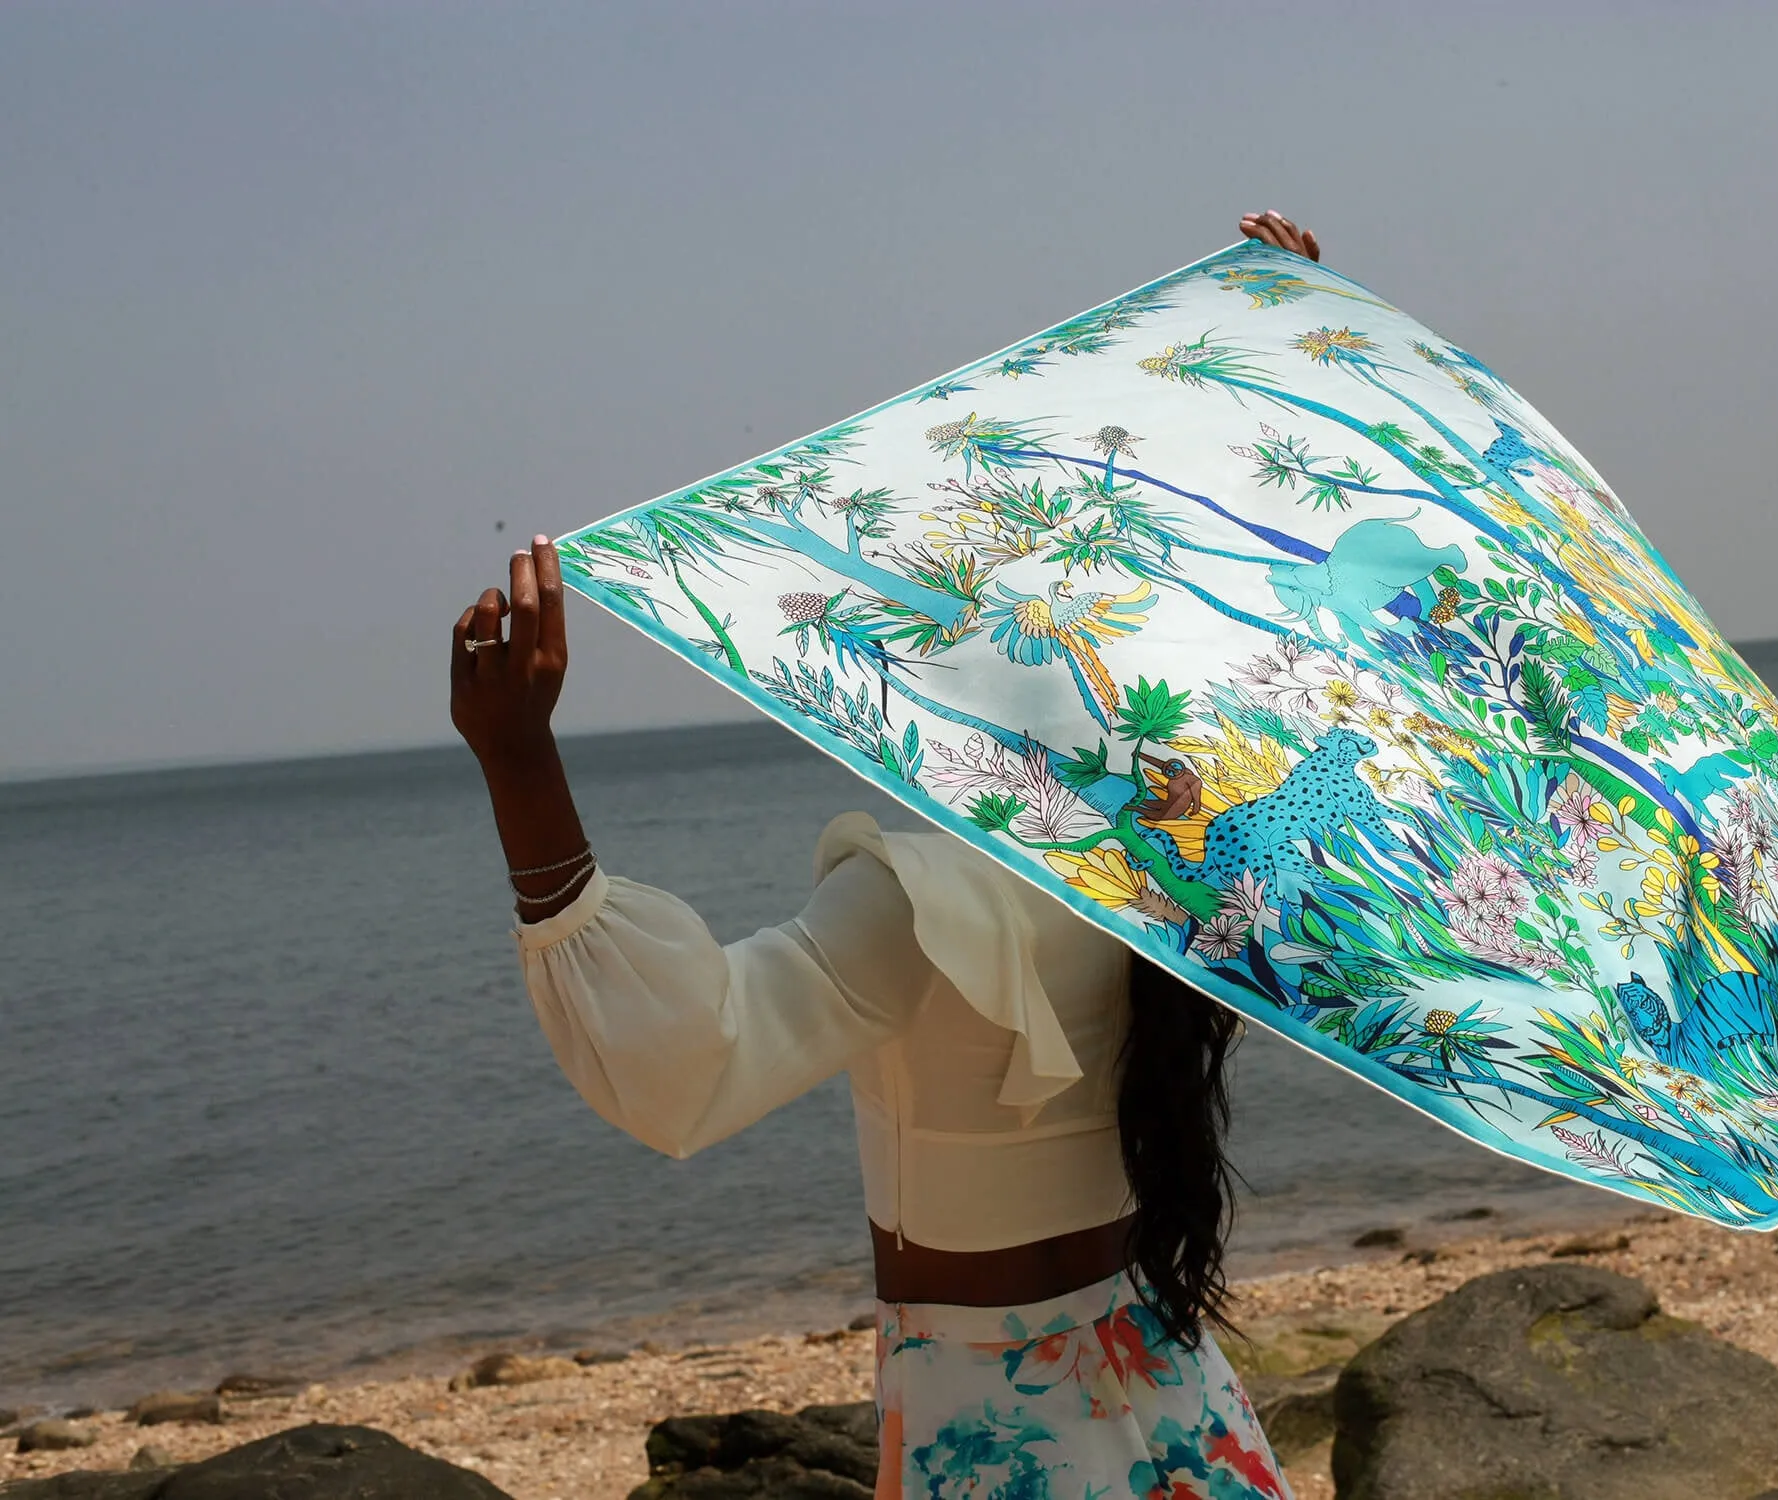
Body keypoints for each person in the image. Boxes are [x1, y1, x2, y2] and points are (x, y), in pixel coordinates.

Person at [449, 213, 1325, 1495]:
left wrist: (519, 769)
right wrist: (1286, 341)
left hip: (1001, 1421)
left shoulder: (927, 902)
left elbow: (682, 1074)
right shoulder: (1185, 870)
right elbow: (1253, 607)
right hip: (1167, 1378)